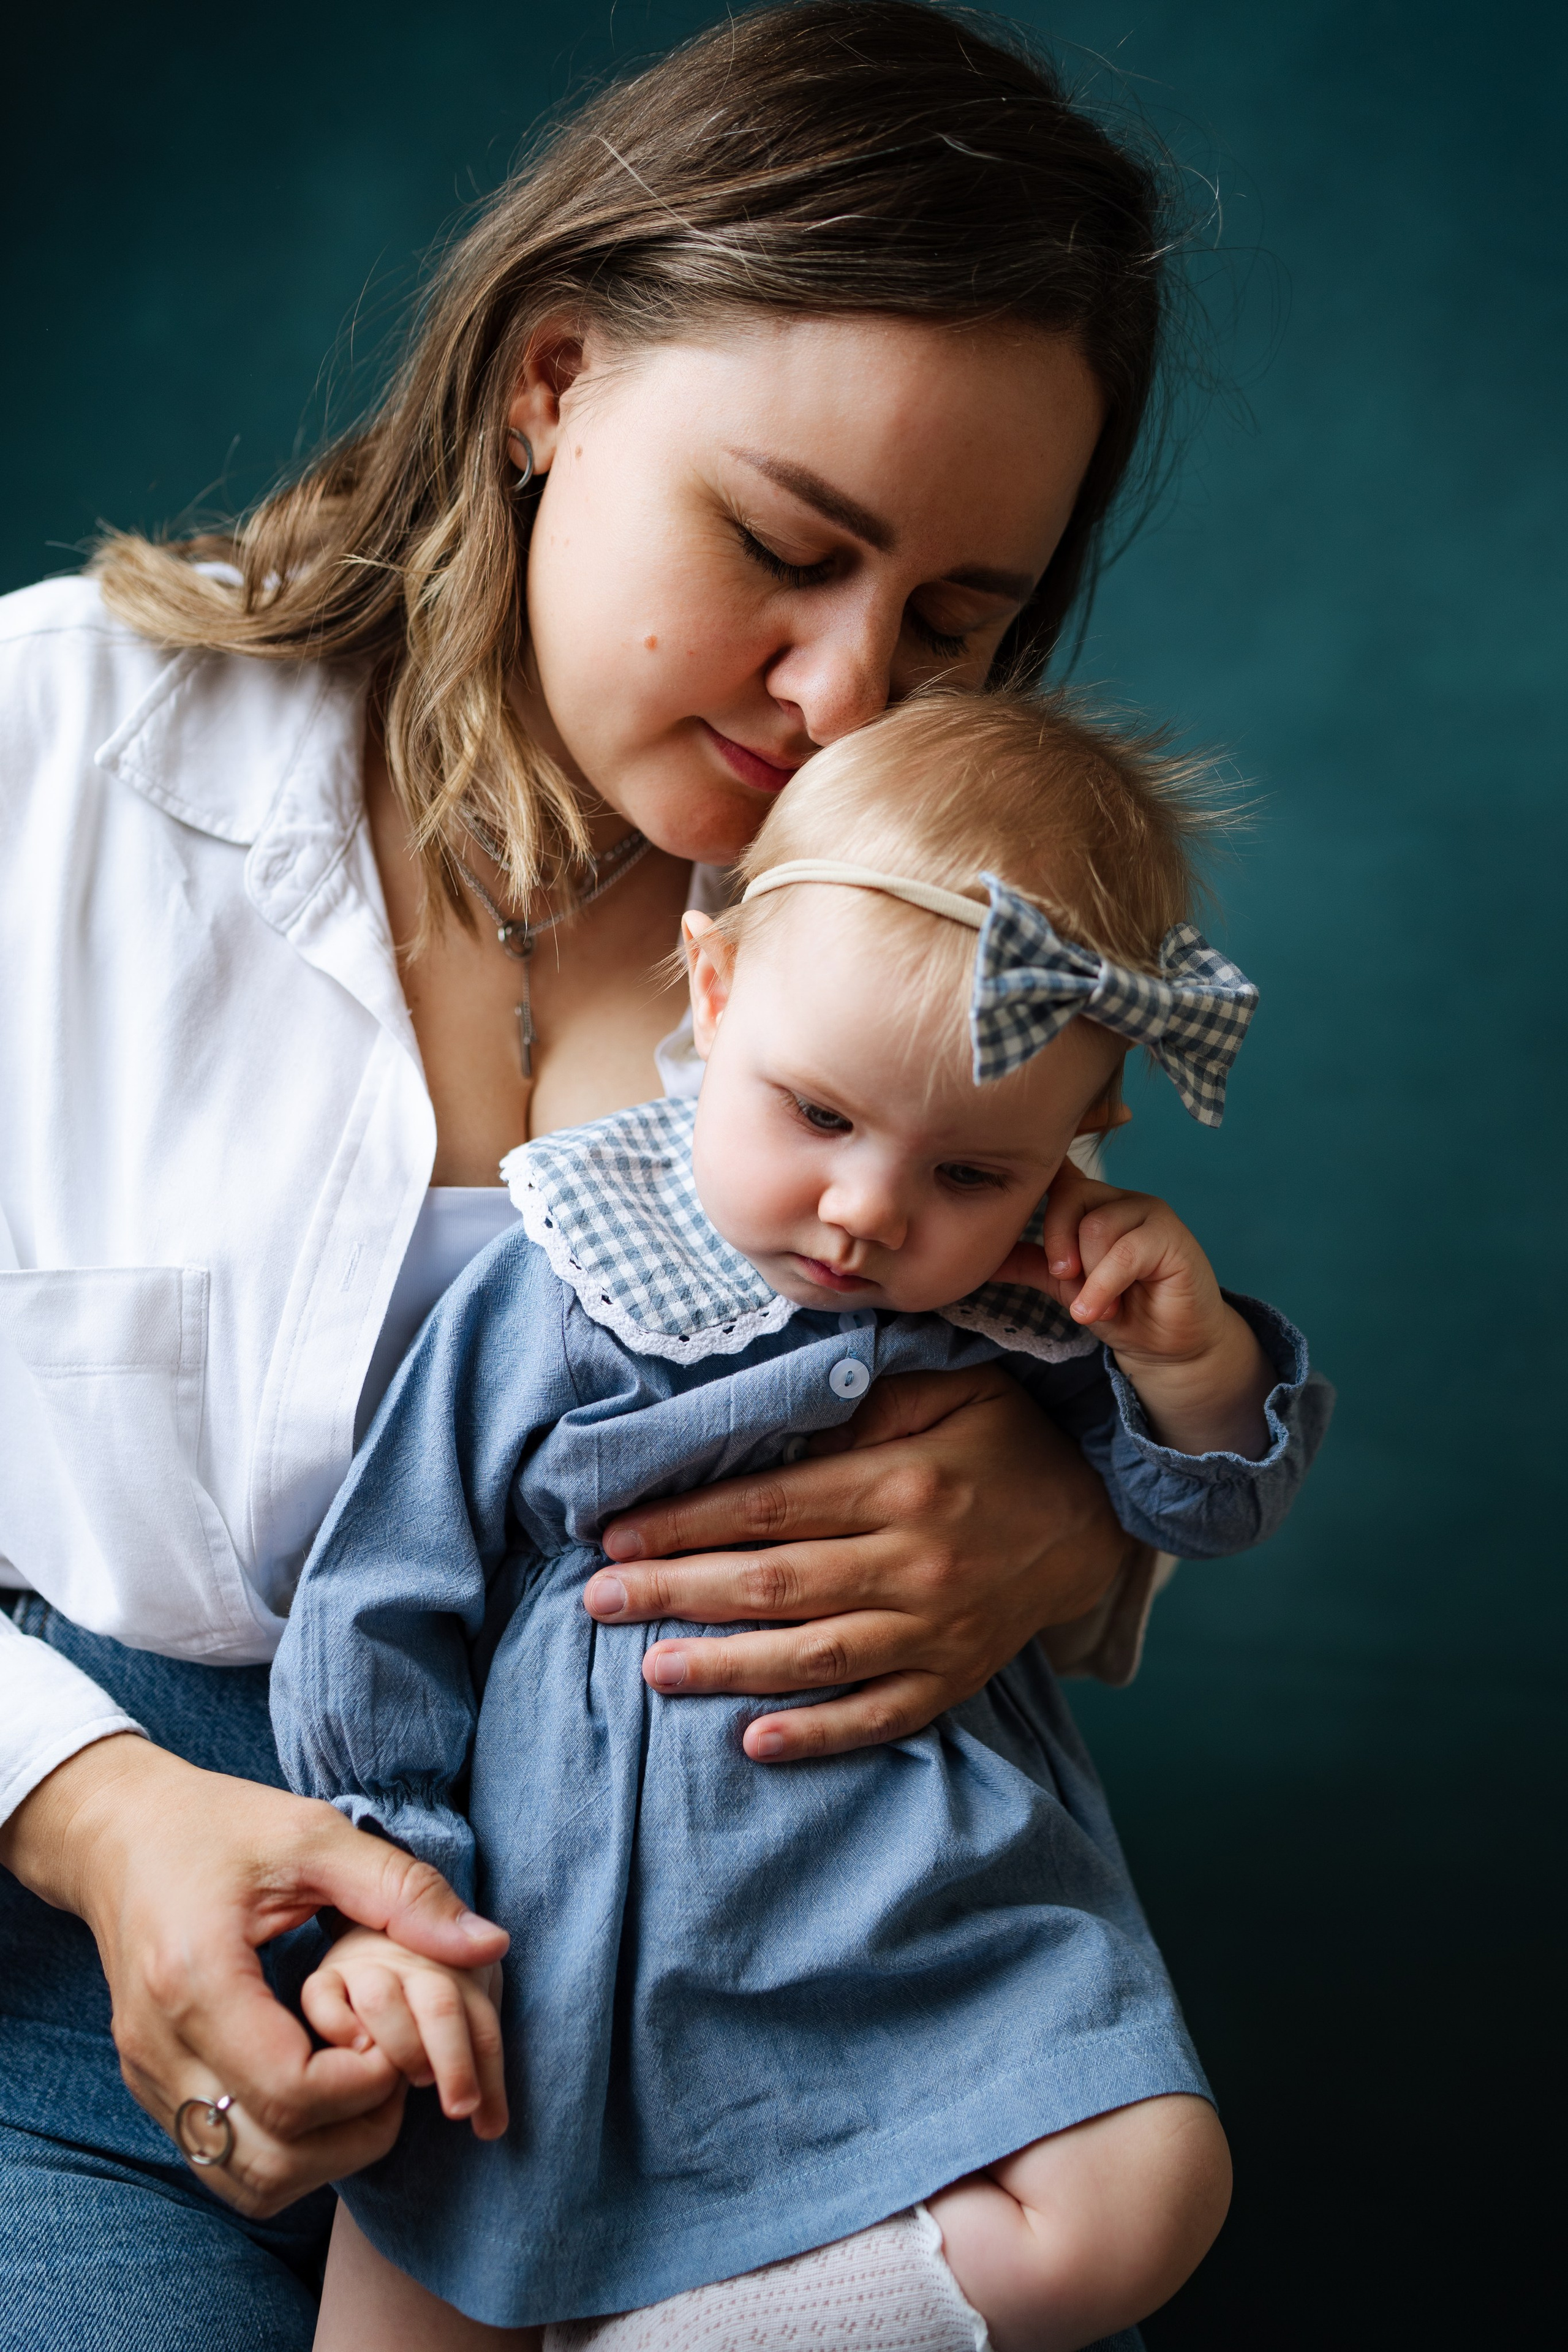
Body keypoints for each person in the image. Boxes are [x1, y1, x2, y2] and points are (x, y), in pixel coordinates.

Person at [0, 7, 1208, 2345]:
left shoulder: (912, 938)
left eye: (958, 621)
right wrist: (93, 1806)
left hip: (747, 2024)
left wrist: (1069, 1521)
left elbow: (1073, 1367)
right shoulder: (44, 760)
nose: (850, 693)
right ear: (552, 382)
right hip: (58, 2007)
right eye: (784, 543)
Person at [271, 693, 1332, 2351]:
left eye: (973, 1172)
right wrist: (393, 1887)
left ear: (1073, 1149)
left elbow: (1203, 1503)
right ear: (714, 990)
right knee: (424, 2236)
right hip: (558, 1923)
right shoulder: (565, 1269)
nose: (869, 1214)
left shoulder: (1033, 1304)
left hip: (916, 1922)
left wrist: (1195, 1360)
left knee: (1146, 2192)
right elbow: (386, 1592)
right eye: (819, 1117)